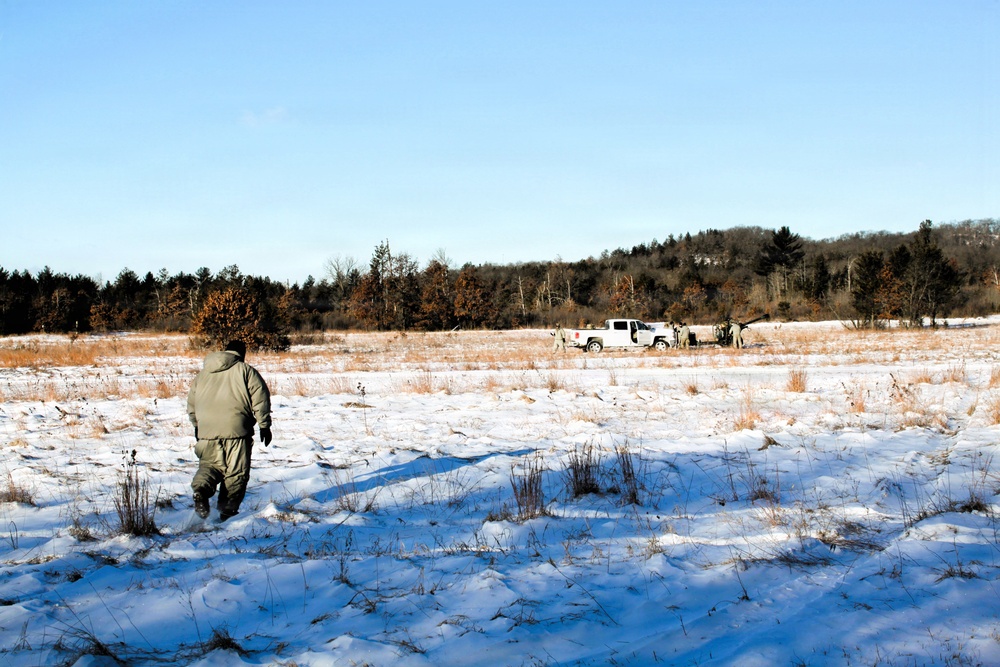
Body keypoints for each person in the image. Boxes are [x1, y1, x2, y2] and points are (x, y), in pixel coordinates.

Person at [187, 340, 272, 521]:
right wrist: (264, 425)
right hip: (236, 430)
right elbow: (260, 398)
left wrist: (197, 425)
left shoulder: (203, 374)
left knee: (209, 466)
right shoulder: (245, 370)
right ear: (242, 353)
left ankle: (201, 491)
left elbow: (192, 403)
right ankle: (226, 513)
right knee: (236, 473)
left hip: (207, 430)